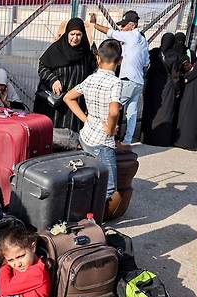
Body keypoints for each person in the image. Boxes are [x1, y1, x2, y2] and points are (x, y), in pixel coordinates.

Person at [64, 39, 123, 200]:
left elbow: (68, 98)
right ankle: (93, 218)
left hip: (86, 136)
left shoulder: (91, 79)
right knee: (109, 188)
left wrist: (86, 119)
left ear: (98, 58)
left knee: (88, 178)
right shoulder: (115, 82)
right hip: (102, 142)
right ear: (120, 60)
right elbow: (113, 112)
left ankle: (81, 209)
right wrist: (111, 129)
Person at [90, 10, 149, 148]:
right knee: (132, 113)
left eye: (124, 26)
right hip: (139, 82)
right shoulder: (143, 41)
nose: (121, 28)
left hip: (128, 80)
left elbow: (110, 33)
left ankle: (105, 136)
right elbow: (146, 63)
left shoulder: (131, 36)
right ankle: (127, 141)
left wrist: (94, 25)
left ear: (132, 25)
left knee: (112, 108)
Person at [34, 17, 95, 134]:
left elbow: (92, 71)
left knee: (71, 132)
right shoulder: (56, 49)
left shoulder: (86, 52)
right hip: (56, 100)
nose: (75, 38)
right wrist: (53, 80)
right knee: (53, 131)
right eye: (72, 34)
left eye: (79, 34)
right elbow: (42, 68)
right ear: (67, 33)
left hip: (75, 101)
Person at [141, 33, 184, 146]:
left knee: (151, 110)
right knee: (165, 112)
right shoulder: (174, 55)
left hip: (152, 85)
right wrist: (177, 89)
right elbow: (175, 75)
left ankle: (148, 136)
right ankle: (162, 139)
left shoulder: (154, 52)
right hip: (167, 88)